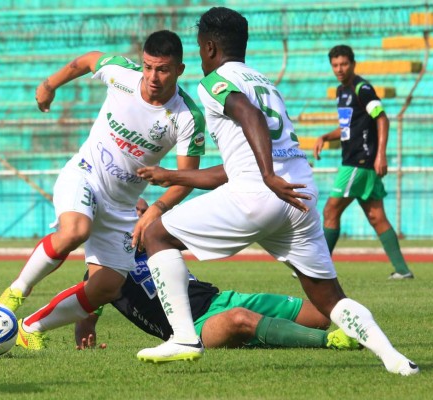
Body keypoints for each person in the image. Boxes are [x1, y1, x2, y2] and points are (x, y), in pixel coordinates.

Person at [135, 7, 418, 376]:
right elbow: (234, 167)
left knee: (157, 234)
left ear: (207, 48)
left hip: (261, 193)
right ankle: (395, 359)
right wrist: (174, 175)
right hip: (298, 197)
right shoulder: (266, 82)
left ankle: (185, 338)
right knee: (331, 299)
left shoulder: (215, 82)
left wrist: (267, 176)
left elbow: (248, 116)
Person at [0, 30, 206, 349]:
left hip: (122, 206)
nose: (152, 76)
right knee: (75, 230)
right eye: (148, 67)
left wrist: (154, 209)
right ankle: (14, 294)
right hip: (85, 174)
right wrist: (49, 85)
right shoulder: (121, 74)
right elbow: (87, 60)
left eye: (162, 69)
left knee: (107, 286)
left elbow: (186, 178)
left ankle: (29, 328)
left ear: (180, 70)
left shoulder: (187, 117)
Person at [75, 198, 360, 352]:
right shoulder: (105, 268)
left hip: (220, 298)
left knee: (324, 314)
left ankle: (358, 330)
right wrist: (85, 329)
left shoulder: (158, 241)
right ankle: (328, 343)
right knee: (239, 319)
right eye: (138, 213)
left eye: (145, 212)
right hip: (195, 328)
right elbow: (88, 303)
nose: (144, 217)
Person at [313, 44, 413, 280]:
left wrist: (381, 154)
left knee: (330, 210)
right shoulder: (341, 91)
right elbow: (348, 127)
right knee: (377, 216)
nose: (339, 69)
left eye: (344, 64)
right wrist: (326, 136)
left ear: (353, 64)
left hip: (358, 162)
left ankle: (317, 269)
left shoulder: (362, 88)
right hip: (359, 162)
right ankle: (402, 271)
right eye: (335, 65)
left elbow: (382, 118)